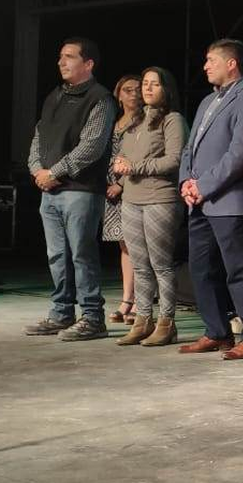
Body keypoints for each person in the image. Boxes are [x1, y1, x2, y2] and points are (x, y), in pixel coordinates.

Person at [178, 39, 243, 359]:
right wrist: (186, 182)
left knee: (239, 269)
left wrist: (203, 185)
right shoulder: (206, 102)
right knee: (202, 268)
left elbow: (241, 153)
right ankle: (217, 332)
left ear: (232, 64)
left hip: (230, 199)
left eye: (211, 60)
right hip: (200, 201)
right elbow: (189, 148)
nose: (205, 66)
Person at [25, 38, 117, 341]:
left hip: (80, 189)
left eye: (69, 57)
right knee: (56, 255)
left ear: (88, 63)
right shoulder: (54, 96)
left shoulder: (100, 98)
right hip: (49, 190)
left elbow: (91, 146)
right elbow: (39, 137)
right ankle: (61, 312)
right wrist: (37, 170)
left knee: (81, 253)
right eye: (60, 57)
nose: (61, 62)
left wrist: (55, 172)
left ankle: (92, 317)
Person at [112, 67, 187, 346]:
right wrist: (120, 164)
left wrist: (135, 166)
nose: (147, 88)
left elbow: (175, 160)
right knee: (140, 265)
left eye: (154, 84)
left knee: (161, 265)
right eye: (145, 83)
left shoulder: (173, 119)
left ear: (166, 88)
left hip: (160, 199)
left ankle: (166, 322)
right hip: (131, 199)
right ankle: (143, 320)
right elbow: (124, 154)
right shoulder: (136, 121)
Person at [104, 75, 143, 325]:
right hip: (110, 191)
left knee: (138, 247)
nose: (134, 94)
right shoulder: (114, 122)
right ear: (119, 95)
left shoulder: (144, 120)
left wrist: (120, 184)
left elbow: (140, 156)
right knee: (124, 246)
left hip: (131, 188)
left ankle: (141, 301)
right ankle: (126, 298)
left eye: (137, 90)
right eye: (127, 90)